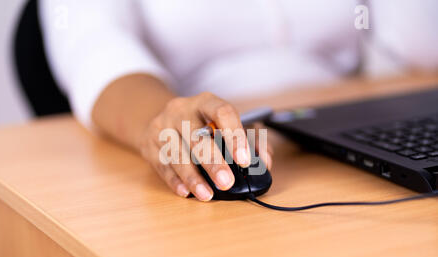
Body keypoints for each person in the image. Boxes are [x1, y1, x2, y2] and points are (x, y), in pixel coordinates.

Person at [40, 0, 438, 201]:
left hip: (337, 130)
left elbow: (421, 47)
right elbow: (94, 49)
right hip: (196, 121)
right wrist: (160, 123)